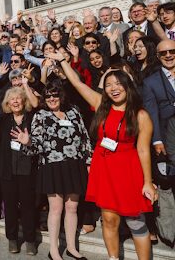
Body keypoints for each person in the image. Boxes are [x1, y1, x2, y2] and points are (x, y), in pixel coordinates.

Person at [51, 51, 158, 260]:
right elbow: (78, 84)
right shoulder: (102, 105)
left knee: (136, 222)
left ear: (128, 86)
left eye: (118, 83)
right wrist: (63, 61)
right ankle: (113, 258)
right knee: (109, 219)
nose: (114, 88)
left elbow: (144, 150)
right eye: (109, 84)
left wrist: (147, 182)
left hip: (128, 171)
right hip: (105, 169)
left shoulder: (141, 115)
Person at [12, 82, 92, 260]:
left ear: (61, 95)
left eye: (55, 95)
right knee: (55, 209)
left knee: (72, 207)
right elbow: (37, 146)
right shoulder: (41, 115)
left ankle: (71, 247)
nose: (51, 99)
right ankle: (54, 250)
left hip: (74, 165)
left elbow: (84, 137)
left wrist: (88, 160)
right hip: (52, 166)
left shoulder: (74, 111)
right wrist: (28, 142)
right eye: (47, 96)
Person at [0, 87, 37, 255]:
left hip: (26, 169)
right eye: (12, 99)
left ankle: (30, 240)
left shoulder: (32, 118)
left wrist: (28, 142)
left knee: (28, 206)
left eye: (18, 98)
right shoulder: (3, 120)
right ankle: (12, 239)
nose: (15, 101)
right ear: (7, 103)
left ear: (24, 101)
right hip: (7, 170)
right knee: (10, 206)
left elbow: (39, 142)